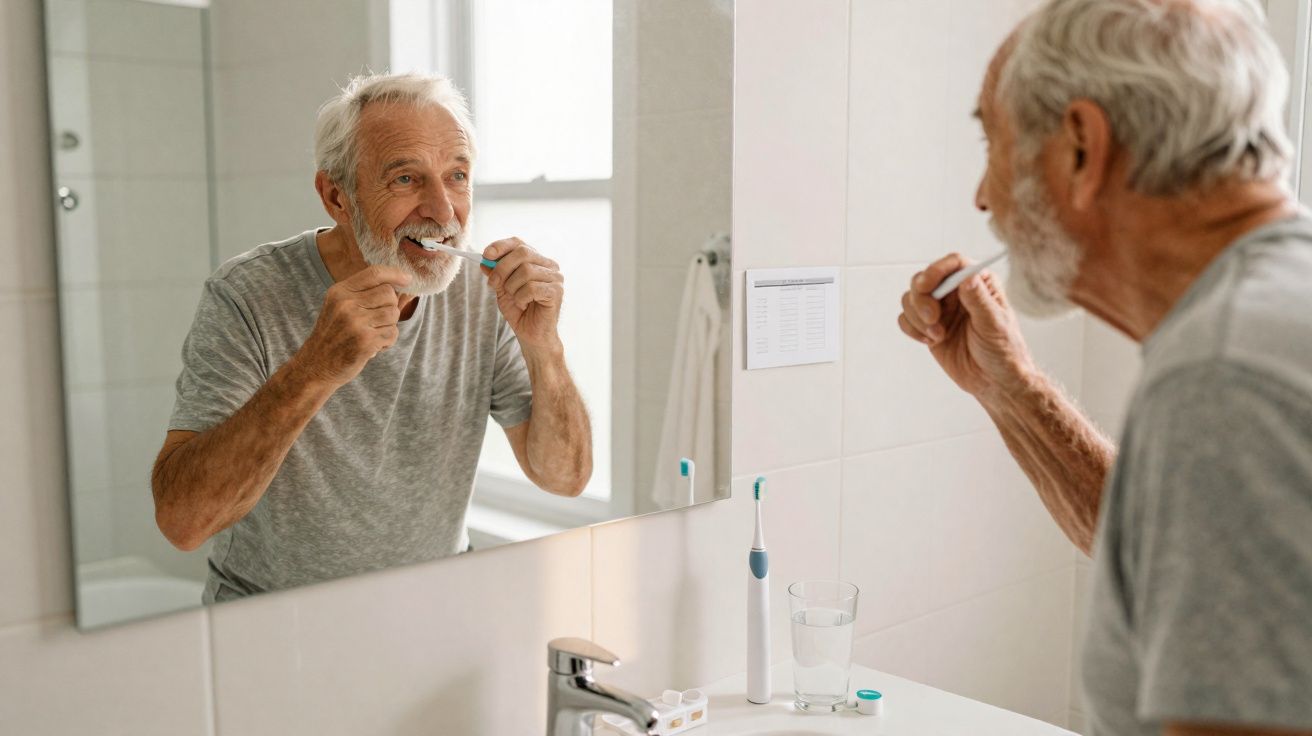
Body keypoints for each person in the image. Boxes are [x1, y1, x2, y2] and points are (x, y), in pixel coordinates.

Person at [897, 1, 1312, 734]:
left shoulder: (1226, 375)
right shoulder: (1269, 320)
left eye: (993, 140)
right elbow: (1164, 554)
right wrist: (1012, 391)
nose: (983, 199)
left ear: (1081, 149)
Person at [151, 73, 592, 603]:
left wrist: (543, 345)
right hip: (272, 624)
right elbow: (184, 522)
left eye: (456, 176)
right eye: (406, 179)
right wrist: (314, 368)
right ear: (337, 196)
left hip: (432, 608)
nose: (443, 211)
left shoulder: (482, 296)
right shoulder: (247, 295)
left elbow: (565, 478)